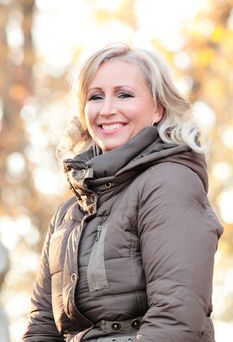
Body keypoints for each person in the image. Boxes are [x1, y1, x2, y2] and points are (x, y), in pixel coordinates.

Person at [22, 43, 223, 342]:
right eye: (95, 97)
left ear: (158, 108)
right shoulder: (68, 214)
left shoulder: (169, 182)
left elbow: (176, 319)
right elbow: (42, 326)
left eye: (124, 95)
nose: (107, 110)